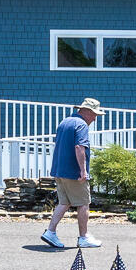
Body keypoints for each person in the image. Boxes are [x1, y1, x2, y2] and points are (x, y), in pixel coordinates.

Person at [42, 97, 102, 250]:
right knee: (83, 203)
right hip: (73, 172)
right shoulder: (81, 125)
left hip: (59, 170)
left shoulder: (65, 122)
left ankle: (50, 232)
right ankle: (84, 237)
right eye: (94, 114)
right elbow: (79, 148)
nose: (95, 119)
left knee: (64, 202)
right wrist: (83, 171)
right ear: (87, 112)